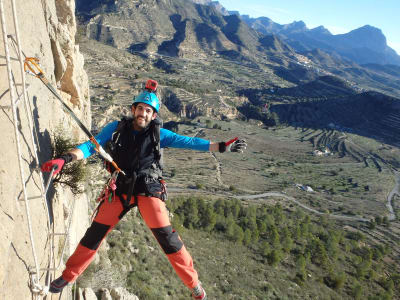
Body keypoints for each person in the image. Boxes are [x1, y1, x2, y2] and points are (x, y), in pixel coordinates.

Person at [41, 81, 247, 299]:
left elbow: (190, 142)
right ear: (133, 110)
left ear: (154, 114)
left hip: (149, 189)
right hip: (120, 188)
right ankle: (67, 276)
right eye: (140, 108)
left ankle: (194, 284)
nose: (143, 113)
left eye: (148, 110)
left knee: (168, 238)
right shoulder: (116, 129)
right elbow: (92, 146)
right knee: (94, 234)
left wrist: (222, 146)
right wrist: (65, 159)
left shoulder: (160, 134)